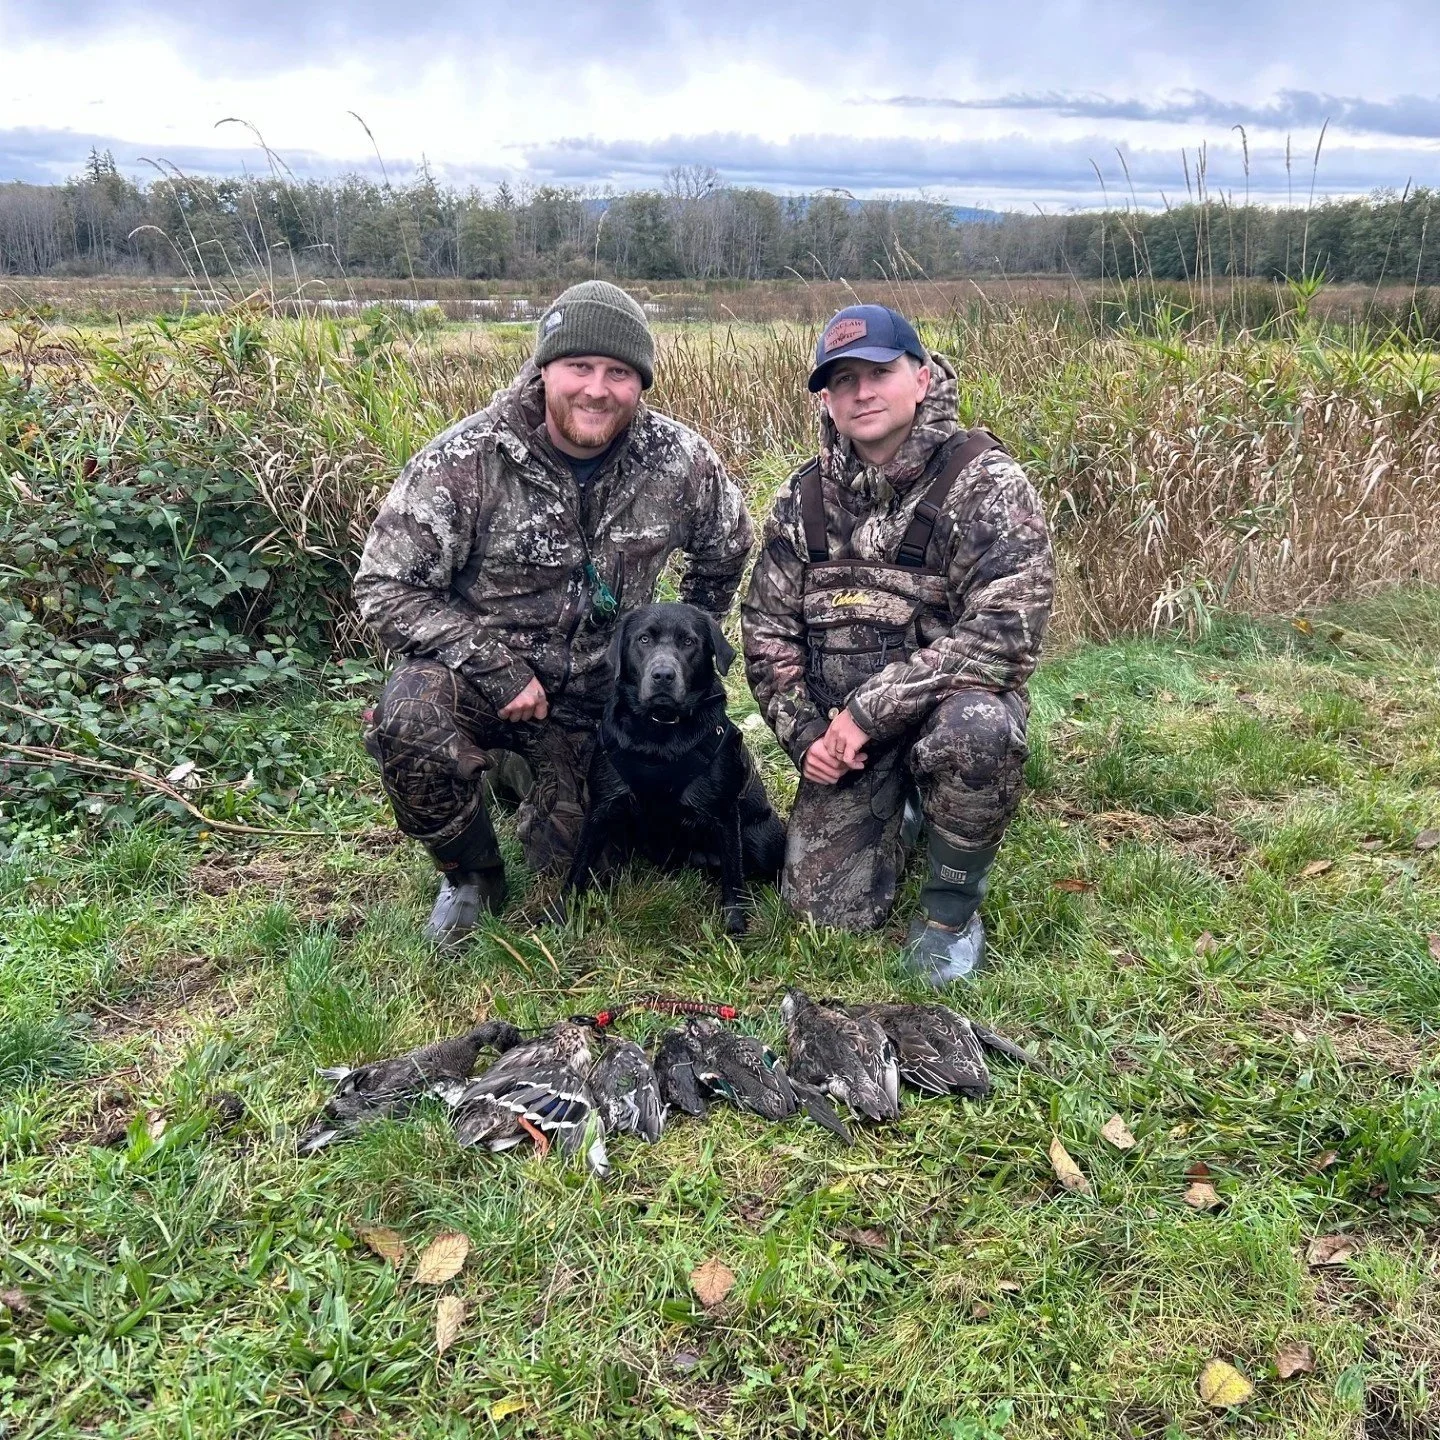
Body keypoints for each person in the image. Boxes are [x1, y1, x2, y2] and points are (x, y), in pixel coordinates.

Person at [355, 281, 753, 943]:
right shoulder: (465, 459)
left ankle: (529, 782)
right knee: (410, 716)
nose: (597, 389)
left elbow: (728, 547)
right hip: (485, 685)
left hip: (600, 708)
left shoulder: (679, 459)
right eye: (579, 367)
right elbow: (383, 588)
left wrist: (683, 654)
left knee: (592, 867)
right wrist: (498, 669)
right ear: (545, 369)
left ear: (640, 383)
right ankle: (470, 875)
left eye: (619, 373)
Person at [742, 304, 1054, 983]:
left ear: (919, 375)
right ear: (827, 398)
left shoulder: (986, 484)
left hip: (938, 717)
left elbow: (1008, 632)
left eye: (879, 371)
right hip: (845, 737)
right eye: (843, 380)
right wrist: (809, 740)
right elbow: (766, 631)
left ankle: (950, 910)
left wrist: (865, 713)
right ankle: (907, 806)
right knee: (822, 912)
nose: (862, 392)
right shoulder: (803, 500)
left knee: (979, 728)